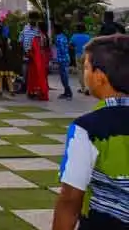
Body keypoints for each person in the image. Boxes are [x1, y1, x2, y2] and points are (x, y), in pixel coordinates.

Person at [53, 35, 129, 230]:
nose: (84, 74)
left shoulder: (87, 129)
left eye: (86, 68)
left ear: (99, 77)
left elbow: (70, 198)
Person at [25, 24, 50, 101]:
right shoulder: (45, 37)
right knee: (42, 76)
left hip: (36, 58)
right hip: (43, 58)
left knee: (35, 75)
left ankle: (36, 92)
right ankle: (41, 91)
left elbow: (33, 48)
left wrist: (29, 53)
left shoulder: (38, 38)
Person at [70, 24, 91, 95]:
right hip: (86, 55)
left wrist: (75, 48)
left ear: (77, 29)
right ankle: (88, 88)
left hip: (78, 55)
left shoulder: (74, 36)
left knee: (80, 72)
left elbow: (70, 46)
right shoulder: (88, 37)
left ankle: (83, 88)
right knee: (87, 71)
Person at [55, 26, 73, 100]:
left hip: (62, 59)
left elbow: (61, 49)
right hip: (66, 57)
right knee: (64, 75)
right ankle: (66, 91)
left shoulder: (59, 38)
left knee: (64, 76)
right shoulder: (64, 36)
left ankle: (68, 91)